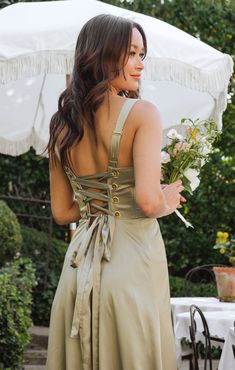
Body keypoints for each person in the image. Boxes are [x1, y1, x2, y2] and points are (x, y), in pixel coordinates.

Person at [46, 13, 184, 370]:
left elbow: (62, 212)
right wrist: (167, 199)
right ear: (104, 56)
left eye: (143, 55)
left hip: (78, 270)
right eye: (132, 53)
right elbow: (148, 200)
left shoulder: (62, 124)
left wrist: (99, 206)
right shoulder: (143, 113)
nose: (140, 65)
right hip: (133, 264)